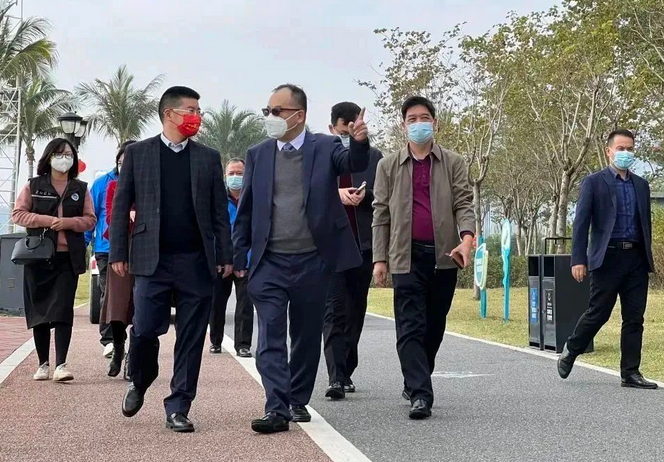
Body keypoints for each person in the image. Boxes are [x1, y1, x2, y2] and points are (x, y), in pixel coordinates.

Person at [233, 84, 370, 434]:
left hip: (313, 260)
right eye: (267, 111)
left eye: (277, 111)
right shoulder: (258, 153)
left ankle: (297, 398)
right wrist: (239, 256)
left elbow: (353, 163)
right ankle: (276, 407)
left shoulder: (325, 147)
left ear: (299, 115)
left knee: (306, 336)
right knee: (270, 336)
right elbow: (246, 208)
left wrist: (358, 141)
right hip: (269, 261)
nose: (271, 117)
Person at [109, 86, 233, 433]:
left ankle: (179, 406)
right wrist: (118, 251)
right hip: (152, 260)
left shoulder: (208, 157)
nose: (197, 117)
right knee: (145, 329)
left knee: (192, 337)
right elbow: (121, 205)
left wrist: (225, 254)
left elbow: (219, 213)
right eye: (191, 110)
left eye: (199, 111)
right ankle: (140, 378)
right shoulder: (139, 154)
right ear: (169, 114)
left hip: (196, 260)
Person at [372, 96, 474, 420]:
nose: (419, 124)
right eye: (412, 119)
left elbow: (464, 203)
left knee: (434, 325)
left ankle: (416, 375)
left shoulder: (454, 162)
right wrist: (379, 259)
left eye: (424, 117)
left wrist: (467, 240)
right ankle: (420, 394)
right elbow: (380, 214)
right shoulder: (388, 166)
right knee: (409, 325)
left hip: (444, 257)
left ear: (435, 123)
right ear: (403, 126)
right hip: (405, 256)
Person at [559, 129, 657, 389]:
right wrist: (578, 259)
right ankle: (572, 348)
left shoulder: (641, 185)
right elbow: (581, 223)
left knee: (634, 317)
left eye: (630, 149)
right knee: (599, 312)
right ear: (609, 151)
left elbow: (645, 224)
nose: (626, 153)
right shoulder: (593, 182)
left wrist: (648, 257)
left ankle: (630, 373)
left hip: (636, 258)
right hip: (607, 258)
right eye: (621, 148)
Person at [12, 138, 96, 382]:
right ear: (49, 157)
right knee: (39, 309)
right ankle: (43, 363)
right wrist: (47, 221)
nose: (64, 158)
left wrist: (69, 223)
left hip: (67, 258)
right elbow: (19, 214)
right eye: (59, 153)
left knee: (62, 310)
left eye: (68, 154)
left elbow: (90, 220)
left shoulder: (80, 188)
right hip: (38, 257)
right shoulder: (34, 185)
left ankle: (61, 364)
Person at [322, 102, 383, 400]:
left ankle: (347, 367)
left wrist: (365, 195)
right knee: (333, 309)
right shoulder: (320, 156)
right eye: (342, 132)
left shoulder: (375, 157)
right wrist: (336, 194)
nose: (347, 137)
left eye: (352, 131)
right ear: (332, 128)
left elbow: (385, 197)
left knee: (355, 309)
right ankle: (335, 376)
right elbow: (309, 194)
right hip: (331, 248)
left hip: (363, 246)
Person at [208, 158, 254, 358]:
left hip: (247, 260)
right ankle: (215, 341)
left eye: (240, 173)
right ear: (225, 176)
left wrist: (246, 258)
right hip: (221, 260)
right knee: (217, 302)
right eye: (232, 173)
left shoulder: (253, 198)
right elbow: (213, 231)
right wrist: (219, 258)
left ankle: (243, 344)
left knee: (245, 303)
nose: (236, 177)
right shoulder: (217, 200)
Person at [101, 141, 136, 378]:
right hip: (121, 250)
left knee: (141, 307)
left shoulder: (152, 188)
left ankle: (135, 355)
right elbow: (112, 218)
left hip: (146, 251)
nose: (126, 166)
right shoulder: (113, 186)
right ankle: (118, 347)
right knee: (117, 305)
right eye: (122, 162)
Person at [85, 156, 118, 358]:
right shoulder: (101, 184)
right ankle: (109, 340)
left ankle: (134, 340)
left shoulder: (147, 181)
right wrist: (83, 244)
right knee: (108, 293)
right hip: (106, 249)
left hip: (138, 250)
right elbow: (90, 217)